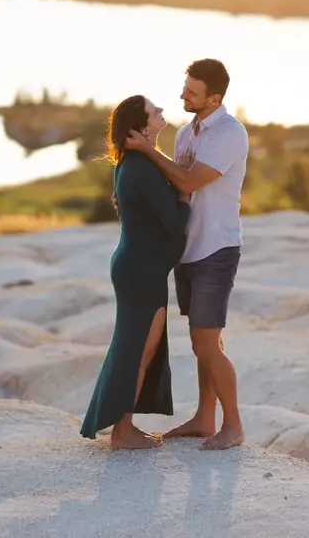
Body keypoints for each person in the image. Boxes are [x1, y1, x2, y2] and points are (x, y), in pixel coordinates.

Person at [117, 58, 249, 450]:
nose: (182, 96)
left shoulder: (229, 134)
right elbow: (173, 183)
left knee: (206, 342)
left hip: (216, 248)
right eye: (184, 87)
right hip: (188, 251)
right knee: (204, 342)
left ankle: (234, 427)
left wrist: (146, 149)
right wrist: (130, 194)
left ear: (214, 98)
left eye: (192, 92)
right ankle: (205, 418)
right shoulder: (186, 134)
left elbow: (189, 180)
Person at [80, 95, 191, 450]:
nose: (161, 112)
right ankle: (122, 431)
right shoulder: (141, 168)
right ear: (141, 127)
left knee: (138, 347)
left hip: (140, 265)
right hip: (140, 269)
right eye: (154, 111)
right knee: (140, 348)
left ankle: (124, 426)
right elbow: (174, 224)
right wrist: (186, 198)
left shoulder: (137, 162)